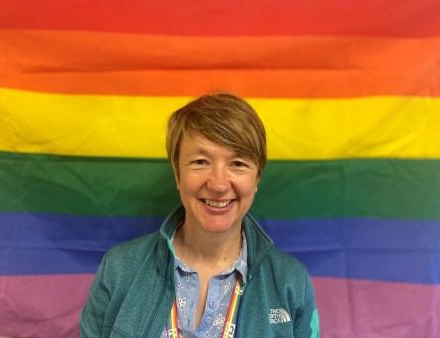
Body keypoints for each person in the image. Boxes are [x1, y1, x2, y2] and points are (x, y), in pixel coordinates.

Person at [80, 93, 320, 338]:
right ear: (177, 174)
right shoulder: (119, 270)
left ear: (257, 177)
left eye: (237, 163)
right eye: (200, 161)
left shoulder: (291, 282)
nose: (218, 184)